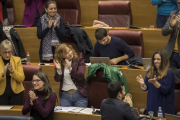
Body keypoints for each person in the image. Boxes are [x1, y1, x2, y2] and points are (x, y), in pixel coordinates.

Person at [136, 49, 175, 116]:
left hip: (163, 106)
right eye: (154, 59)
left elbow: (165, 91)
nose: (156, 61)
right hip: (152, 104)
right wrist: (142, 84)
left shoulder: (169, 73)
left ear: (164, 60)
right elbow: (145, 88)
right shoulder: (150, 71)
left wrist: (155, 83)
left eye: (158, 59)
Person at [0, 40, 25, 105]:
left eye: (9, 52)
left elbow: (21, 78)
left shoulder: (17, 60)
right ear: (0, 52)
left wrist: (12, 71)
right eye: (5, 52)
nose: (7, 55)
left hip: (16, 93)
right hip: (1, 94)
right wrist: (2, 73)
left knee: (14, 114)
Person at [162, 1, 180, 68]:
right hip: (171, 53)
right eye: (178, 3)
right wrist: (171, 26)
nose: (179, 5)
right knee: (170, 77)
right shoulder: (174, 14)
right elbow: (164, 32)